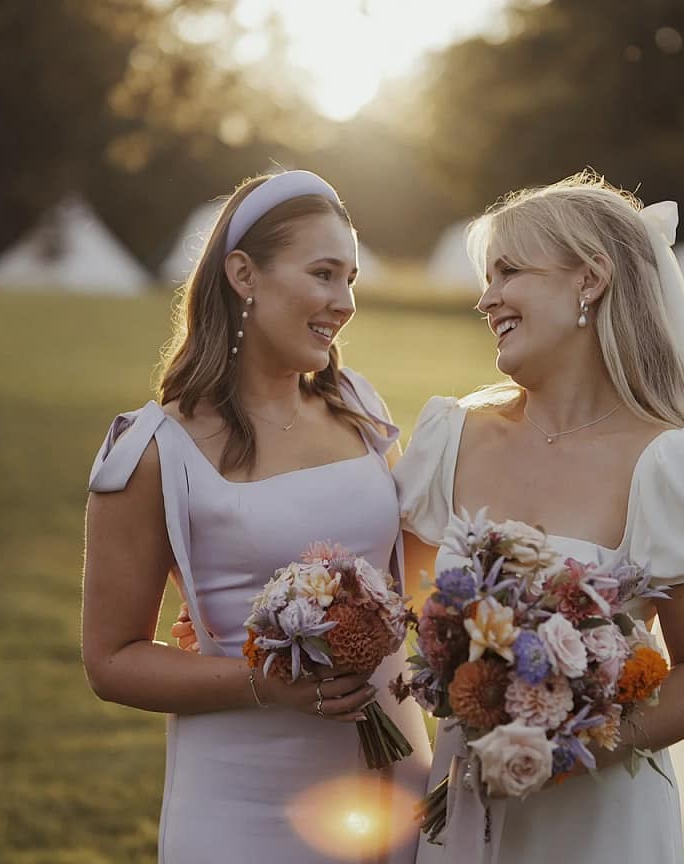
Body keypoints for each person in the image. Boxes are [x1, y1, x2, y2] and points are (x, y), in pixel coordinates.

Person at [395, 171, 684, 863]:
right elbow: (405, 615)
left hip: (602, 822)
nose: (486, 298)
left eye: (508, 271)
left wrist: (567, 745)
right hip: (464, 802)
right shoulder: (450, 437)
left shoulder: (670, 464)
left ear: (589, 280)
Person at [81, 170, 431, 863]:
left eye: (352, 278)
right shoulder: (153, 449)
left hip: (395, 790)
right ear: (244, 274)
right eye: (324, 274)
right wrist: (262, 682)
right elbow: (111, 660)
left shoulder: (360, 407)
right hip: (246, 807)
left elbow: (410, 578)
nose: (346, 301)